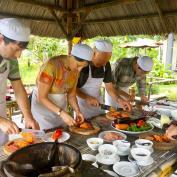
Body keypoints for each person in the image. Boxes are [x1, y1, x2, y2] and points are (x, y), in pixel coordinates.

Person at [31, 44, 94, 130]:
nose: (79, 70)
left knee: (61, 134)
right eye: (78, 65)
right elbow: (42, 97)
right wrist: (61, 113)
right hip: (43, 110)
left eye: (83, 67)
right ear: (71, 56)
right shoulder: (51, 66)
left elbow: (71, 95)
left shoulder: (75, 71)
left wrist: (77, 111)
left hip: (60, 109)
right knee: (46, 137)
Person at [0, 18, 39, 146]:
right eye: (16, 49)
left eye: (21, 50)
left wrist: (28, 116)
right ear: (1, 39)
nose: (18, 56)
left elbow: (18, 88)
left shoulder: (10, 59)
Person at [76, 40, 131, 119]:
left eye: (106, 61)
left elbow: (109, 87)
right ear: (93, 53)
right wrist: (86, 97)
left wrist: (119, 100)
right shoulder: (83, 64)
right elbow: (73, 89)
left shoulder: (106, 64)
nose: (104, 64)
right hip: (81, 105)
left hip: (98, 103)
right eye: (101, 61)